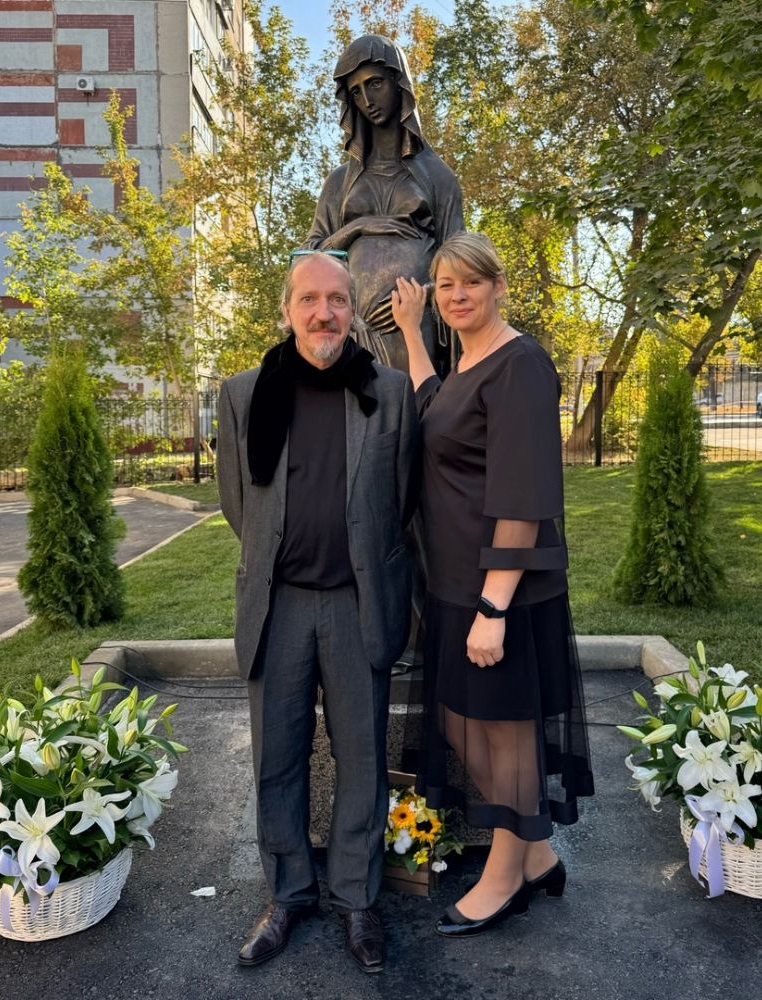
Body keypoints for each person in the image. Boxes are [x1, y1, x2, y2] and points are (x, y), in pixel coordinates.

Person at [217, 250, 418, 972]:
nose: (323, 313)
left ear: (352, 311)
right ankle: (288, 894)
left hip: (359, 606)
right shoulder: (244, 394)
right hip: (279, 607)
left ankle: (357, 898)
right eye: (309, 299)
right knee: (277, 757)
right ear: (287, 310)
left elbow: (402, 499)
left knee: (361, 759)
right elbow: (238, 504)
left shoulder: (388, 392)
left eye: (337, 299)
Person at [390, 231, 595, 937]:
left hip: (502, 592)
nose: (457, 296)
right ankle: (536, 854)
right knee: (458, 721)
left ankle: (505, 876)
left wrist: (493, 607)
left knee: (506, 733)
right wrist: (410, 332)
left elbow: (523, 496)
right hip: (453, 584)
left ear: (498, 286)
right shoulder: (466, 362)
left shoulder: (520, 364)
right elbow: (431, 406)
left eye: (470, 283)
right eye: (445, 285)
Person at [305, 34, 464, 377]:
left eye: (375, 83)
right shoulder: (338, 183)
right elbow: (309, 257)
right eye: (356, 92)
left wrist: (419, 297)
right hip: (350, 326)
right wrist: (358, 227)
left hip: (414, 325)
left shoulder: (437, 177)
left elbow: (461, 264)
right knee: (352, 406)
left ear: (398, 81)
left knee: (412, 403)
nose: (367, 100)